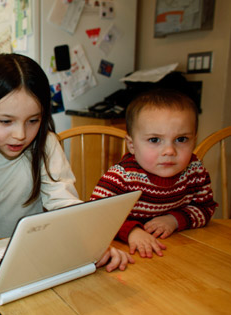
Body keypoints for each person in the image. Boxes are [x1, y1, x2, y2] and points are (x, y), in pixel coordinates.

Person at [0, 53, 133, 272]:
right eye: (6, 121)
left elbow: (64, 203)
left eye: (33, 120)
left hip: (29, 257)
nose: (20, 135)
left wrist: (93, 242)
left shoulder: (46, 145)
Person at [90, 89, 217, 258]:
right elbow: (96, 216)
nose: (170, 151)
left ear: (194, 140)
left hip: (178, 249)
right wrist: (131, 231)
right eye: (155, 140)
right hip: (129, 253)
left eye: (181, 139)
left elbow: (206, 209)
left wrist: (174, 220)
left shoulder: (195, 171)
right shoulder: (121, 176)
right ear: (132, 145)